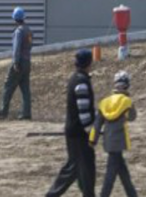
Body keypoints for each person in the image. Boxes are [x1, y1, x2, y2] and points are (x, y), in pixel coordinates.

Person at [46, 49, 96, 197]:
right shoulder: (82, 82)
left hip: (73, 132)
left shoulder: (76, 78)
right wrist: (91, 131)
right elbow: (83, 110)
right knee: (79, 168)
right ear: (88, 63)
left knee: (81, 169)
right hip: (79, 134)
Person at [91, 71, 139, 197]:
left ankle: (132, 194)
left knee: (123, 172)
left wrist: (92, 140)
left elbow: (97, 124)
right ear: (127, 85)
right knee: (110, 176)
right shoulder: (126, 101)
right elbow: (132, 117)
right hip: (120, 141)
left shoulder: (104, 102)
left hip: (108, 141)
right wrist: (130, 103)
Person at [0, 6, 33, 120]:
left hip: (19, 62)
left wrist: (16, 63)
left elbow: (16, 48)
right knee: (25, 88)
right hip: (27, 61)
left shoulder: (18, 31)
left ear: (15, 19)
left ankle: (2, 112)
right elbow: (30, 45)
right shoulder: (28, 30)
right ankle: (26, 113)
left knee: (8, 86)